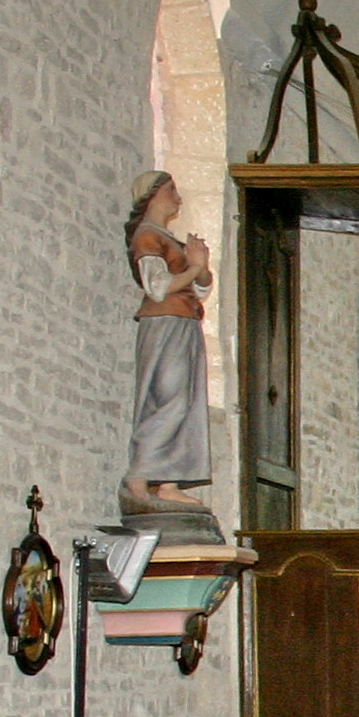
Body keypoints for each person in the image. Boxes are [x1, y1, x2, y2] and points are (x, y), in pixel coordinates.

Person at [120, 170, 213, 518]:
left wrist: (200, 267)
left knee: (186, 402)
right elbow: (157, 287)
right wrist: (193, 268)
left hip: (185, 321)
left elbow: (199, 288)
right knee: (169, 399)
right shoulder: (147, 236)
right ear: (153, 194)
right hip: (164, 322)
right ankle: (139, 476)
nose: (178, 196)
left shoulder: (169, 239)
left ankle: (169, 483)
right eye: (171, 189)